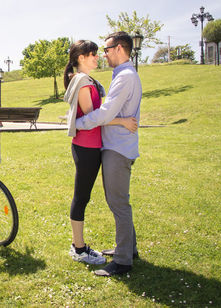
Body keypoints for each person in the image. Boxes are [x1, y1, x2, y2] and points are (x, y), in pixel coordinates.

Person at [73, 32, 142, 276]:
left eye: (107, 49)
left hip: (117, 149)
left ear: (120, 49)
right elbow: (111, 113)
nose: (104, 54)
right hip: (117, 146)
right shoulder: (122, 75)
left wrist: (76, 124)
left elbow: (103, 114)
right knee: (119, 201)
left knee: (118, 203)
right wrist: (122, 121)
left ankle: (123, 261)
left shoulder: (124, 77)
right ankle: (128, 248)